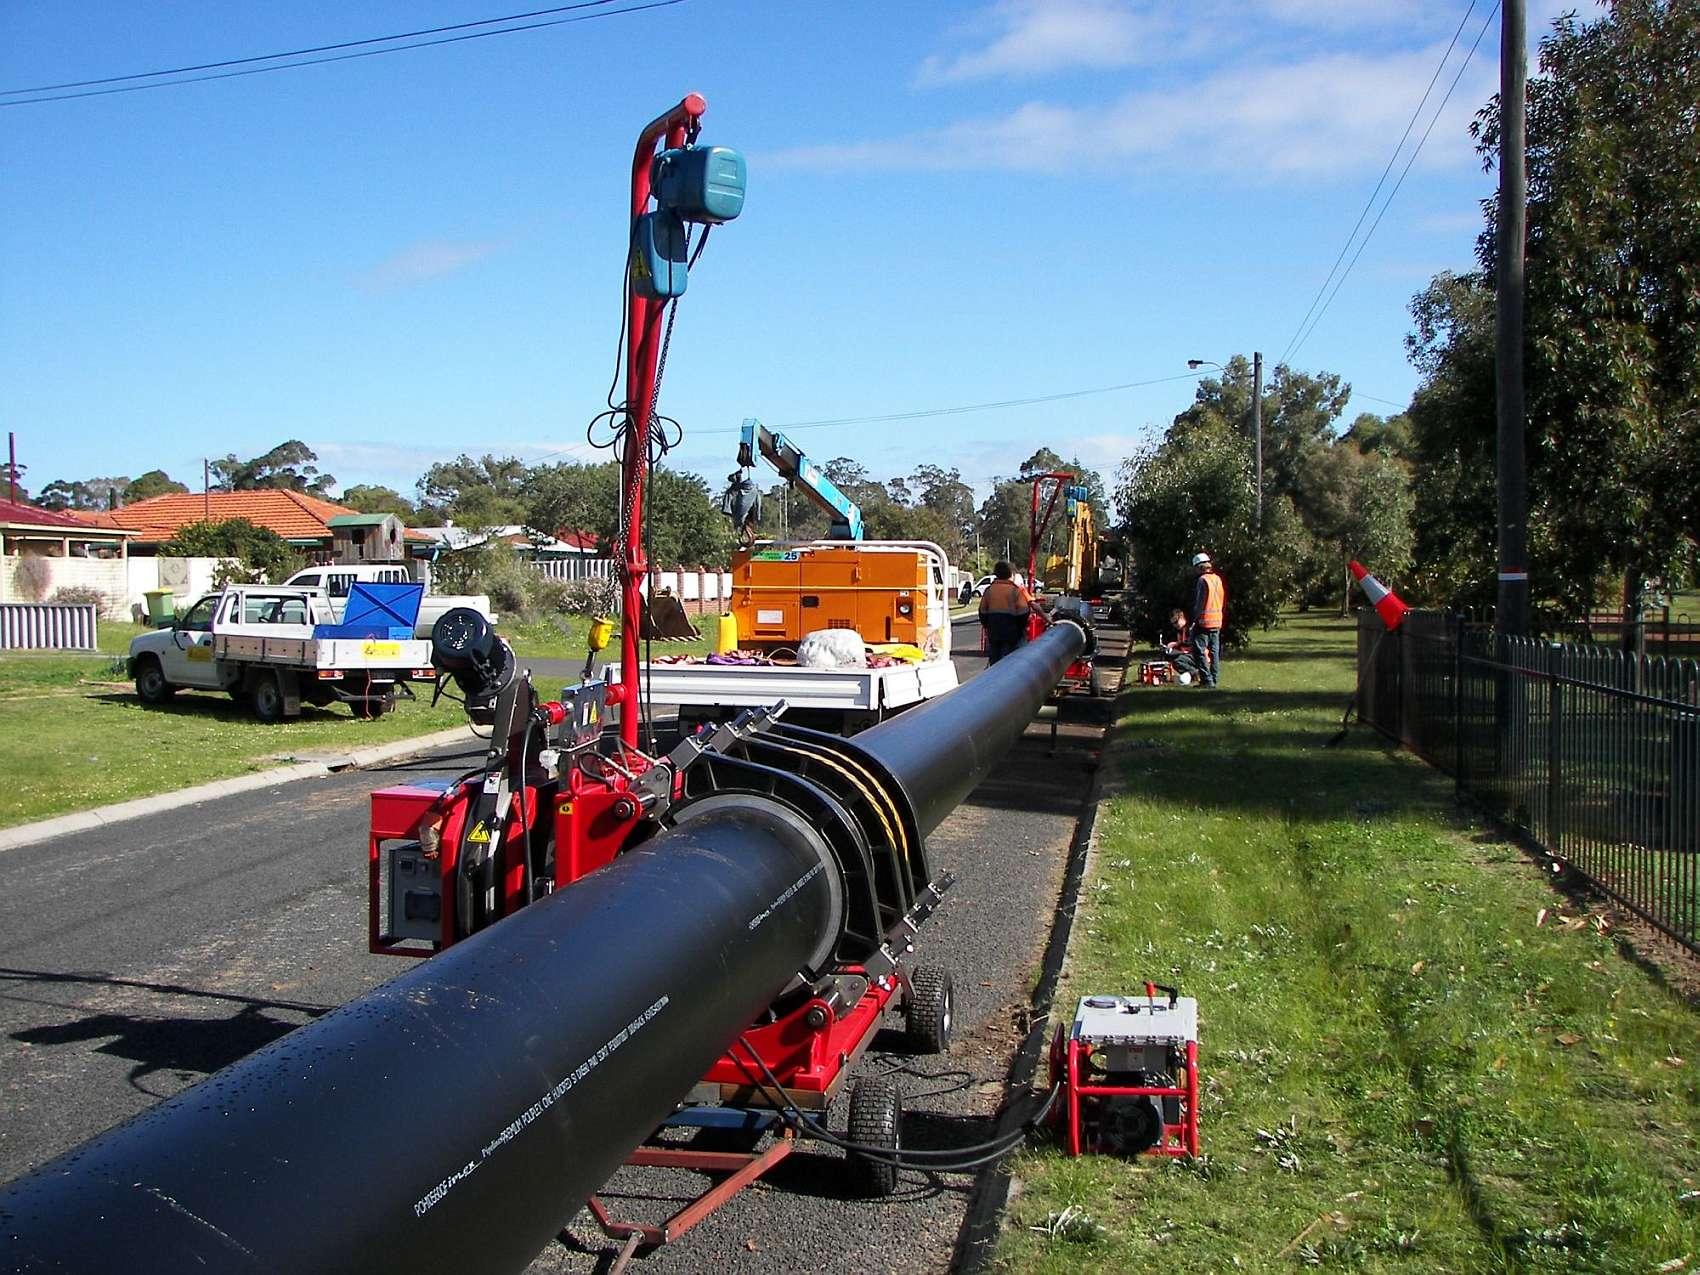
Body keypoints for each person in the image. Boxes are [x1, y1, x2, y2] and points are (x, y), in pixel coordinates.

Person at [978, 560, 1033, 665]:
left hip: (994, 631)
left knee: (995, 660)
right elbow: (1023, 612)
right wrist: (1020, 628)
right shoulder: (1015, 591)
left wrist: (988, 625)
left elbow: (982, 612)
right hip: (1011, 632)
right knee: (1010, 661)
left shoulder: (989, 590)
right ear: (1011, 574)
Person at [1189, 551, 1226, 687]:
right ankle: (1214, 679)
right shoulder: (1217, 579)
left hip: (1204, 621)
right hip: (1217, 620)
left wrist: (1194, 620)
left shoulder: (1202, 580)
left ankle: (1207, 680)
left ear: (1200, 567)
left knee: (1199, 651)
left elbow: (1200, 603)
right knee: (1214, 652)